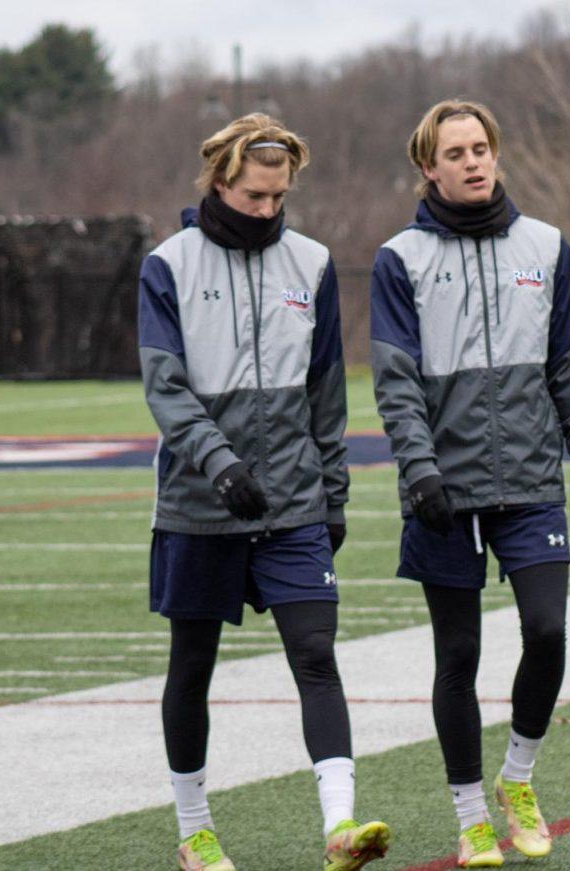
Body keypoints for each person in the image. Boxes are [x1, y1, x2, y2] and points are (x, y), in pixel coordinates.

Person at [139, 113, 390, 871]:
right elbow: (165, 384)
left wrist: (333, 492)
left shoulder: (310, 263)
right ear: (220, 182)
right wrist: (218, 463)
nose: (267, 210)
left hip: (292, 504)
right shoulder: (168, 265)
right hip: (197, 502)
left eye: (278, 197)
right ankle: (195, 830)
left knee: (316, 654)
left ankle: (340, 828)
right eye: (254, 195)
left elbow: (325, 392)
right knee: (193, 663)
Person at [370, 99, 570, 868]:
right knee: (459, 653)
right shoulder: (398, 259)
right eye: (457, 152)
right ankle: (472, 816)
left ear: (497, 156)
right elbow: (396, 382)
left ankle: (518, 779)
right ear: (428, 168)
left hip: (533, 481)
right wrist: (421, 470)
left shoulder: (546, 245)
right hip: (445, 491)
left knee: (546, 631)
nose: (473, 162)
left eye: (483, 148)